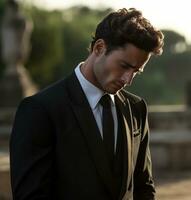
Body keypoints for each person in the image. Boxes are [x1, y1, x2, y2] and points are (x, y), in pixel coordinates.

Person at [10, 8, 164, 200]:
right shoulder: (40, 110)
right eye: (124, 66)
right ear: (99, 48)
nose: (128, 79)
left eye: (136, 71)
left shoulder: (136, 108)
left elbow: (144, 187)